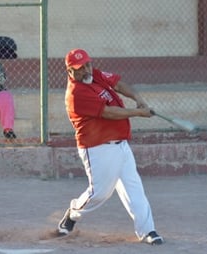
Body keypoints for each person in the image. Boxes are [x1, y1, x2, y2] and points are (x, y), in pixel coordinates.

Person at [54, 48, 163, 245]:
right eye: (80, 68)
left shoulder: (94, 75)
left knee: (134, 188)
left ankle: (148, 231)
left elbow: (118, 84)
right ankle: (73, 213)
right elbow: (109, 113)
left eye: (88, 64)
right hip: (97, 147)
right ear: (70, 71)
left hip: (120, 143)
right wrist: (139, 113)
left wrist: (138, 99)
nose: (86, 70)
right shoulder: (76, 94)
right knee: (100, 193)